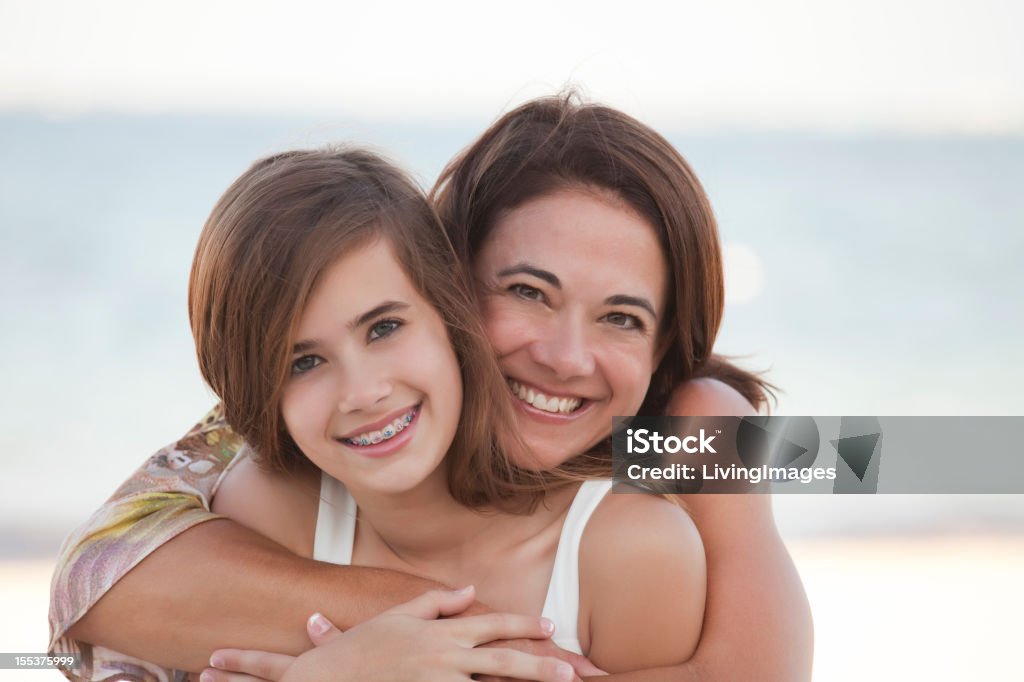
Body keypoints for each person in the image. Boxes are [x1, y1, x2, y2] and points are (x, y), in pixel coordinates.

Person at [51, 94, 813, 681]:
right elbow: (95, 576)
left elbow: (899, 463)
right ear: (447, 284)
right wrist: (405, 642)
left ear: (661, 351)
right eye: (526, 291)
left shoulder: (684, 433)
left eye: (621, 316)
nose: (564, 354)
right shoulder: (328, 411)